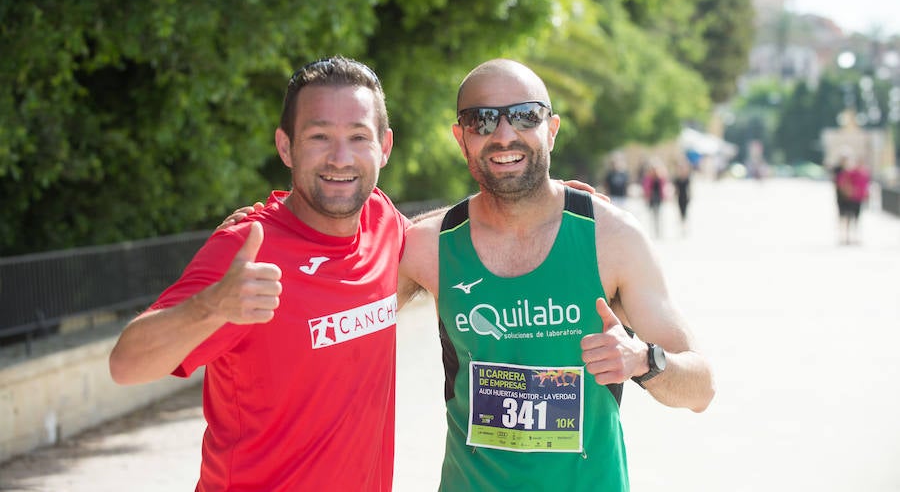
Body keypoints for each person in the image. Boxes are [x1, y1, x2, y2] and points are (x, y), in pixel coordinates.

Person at [398, 59, 714, 491]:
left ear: (552, 129)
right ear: (461, 137)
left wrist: (642, 361)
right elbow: (333, 317)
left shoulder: (612, 238)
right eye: (481, 119)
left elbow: (701, 389)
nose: (504, 134)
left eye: (526, 115)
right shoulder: (428, 246)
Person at [108, 56, 409, 491]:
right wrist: (211, 305)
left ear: (384, 146)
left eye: (358, 137)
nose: (341, 158)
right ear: (286, 146)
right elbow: (125, 365)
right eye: (319, 135)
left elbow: (446, 242)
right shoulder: (246, 248)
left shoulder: (382, 220)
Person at [834, 154, 870, 244]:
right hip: (852, 198)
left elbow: (866, 185)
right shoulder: (852, 172)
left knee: (857, 218)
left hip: (859, 198)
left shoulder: (865, 172)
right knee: (849, 217)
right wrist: (848, 191)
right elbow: (841, 180)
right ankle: (846, 237)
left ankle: (855, 237)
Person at [641, 158, 668, 238]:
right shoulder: (648, 178)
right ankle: (653, 231)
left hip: (658, 199)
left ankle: (658, 231)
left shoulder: (661, 178)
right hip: (651, 199)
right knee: (652, 215)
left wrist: (665, 197)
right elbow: (645, 188)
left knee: (658, 215)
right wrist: (646, 197)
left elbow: (663, 188)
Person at [673, 159, 692, 236]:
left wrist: (690, 196)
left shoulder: (687, 178)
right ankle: (682, 226)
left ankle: (684, 227)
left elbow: (689, 189)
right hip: (679, 197)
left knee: (685, 212)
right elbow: (676, 190)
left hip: (685, 197)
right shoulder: (677, 179)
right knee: (680, 212)